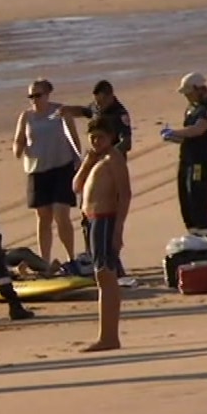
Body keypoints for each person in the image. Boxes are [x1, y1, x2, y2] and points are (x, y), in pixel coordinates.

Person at [58, 79, 132, 275]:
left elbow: (127, 141)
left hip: (110, 175)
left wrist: (109, 154)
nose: (98, 104)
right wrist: (66, 111)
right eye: (96, 101)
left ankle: (115, 270)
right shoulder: (96, 109)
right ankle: (97, 264)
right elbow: (84, 111)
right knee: (89, 225)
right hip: (93, 179)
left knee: (107, 241)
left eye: (101, 100)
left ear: (110, 96)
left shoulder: (119, 114)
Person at [72, 116, 132, 352]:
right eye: (93, 137)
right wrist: (87, 162)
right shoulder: (96, 159)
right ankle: (107, 335)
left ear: (111, 137)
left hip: (106, 220)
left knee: (106, 277)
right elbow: (76, 186)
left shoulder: (114, 159)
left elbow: (125, 194)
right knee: (101, 277)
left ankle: (109, 336)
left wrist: (118, 229)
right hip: (92, 221)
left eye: (101, 137)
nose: (96, 141)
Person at [12, 78, 82, 273]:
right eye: (31, 96)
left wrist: (79, 162)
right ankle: (45, 262)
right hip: (37, 170)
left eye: (38, 95)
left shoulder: (61, 111)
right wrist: (19, 149)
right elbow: (18, 141)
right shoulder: (26, 117)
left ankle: (71, 258)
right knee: (43, 218)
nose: (34, 99)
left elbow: (74, 139)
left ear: (48, 94)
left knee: (62, 214)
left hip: (61, 167)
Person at [161, 72, 207, 242]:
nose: (186, 96)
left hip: (200, 162)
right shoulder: (191, 108)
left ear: (197, 89)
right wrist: (173, 137)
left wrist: (176, 132)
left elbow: (198, 130)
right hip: (186, 160)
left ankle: (206, 239)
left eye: (188, 92)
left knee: (198, 200)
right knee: (185, 201)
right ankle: (194, 237)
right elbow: (188, 136)